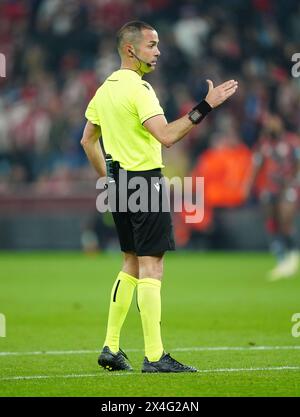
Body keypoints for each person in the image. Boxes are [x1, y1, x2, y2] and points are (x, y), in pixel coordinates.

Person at [81, 21, 238, 373]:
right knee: (153, 266)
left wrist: (107, 179)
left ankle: (111, 346)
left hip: (119, 185)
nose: (158, 51)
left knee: (131, 263)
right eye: (152, 44)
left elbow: (87, 141)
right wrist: (206, 106)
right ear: (130, 49)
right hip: (145, 182)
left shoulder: (104, 90)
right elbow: (167, 136)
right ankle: (154, 356)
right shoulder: (140, 90)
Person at [246, 113, 300, 281]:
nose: (272, 127)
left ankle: (293, 255)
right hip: (269, 189)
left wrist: (293, 180)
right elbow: (256, 166)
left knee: (285, 221)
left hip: (288, 187)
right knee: (272, 224)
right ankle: (281, 259)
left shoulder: (292, 142)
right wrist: (249, 187)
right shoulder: (263, 144)